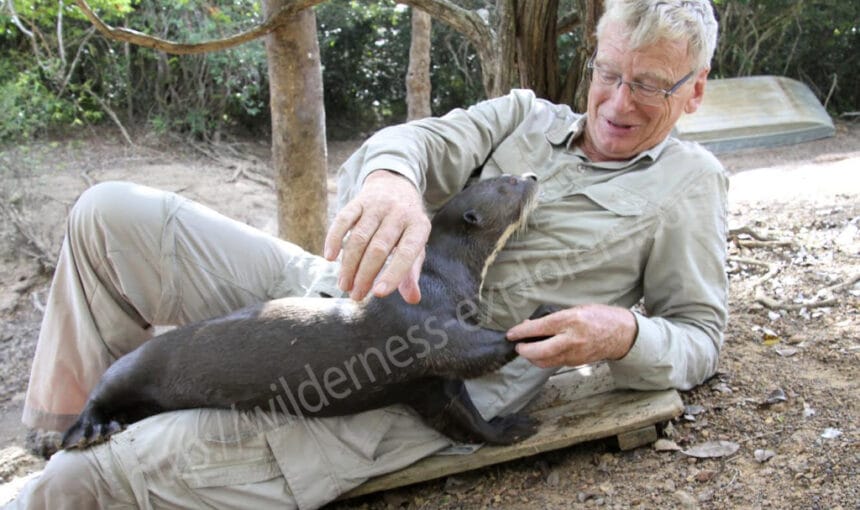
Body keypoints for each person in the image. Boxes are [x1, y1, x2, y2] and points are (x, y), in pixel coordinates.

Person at [7, 0, 726, 508]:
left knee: (89, 484)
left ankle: (70, 468)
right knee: (110, 216)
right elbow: (409, 142)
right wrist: (389, 181)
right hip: (332, 297)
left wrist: (624, 333)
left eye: (649, 84)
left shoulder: (688, 186)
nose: (616, 101)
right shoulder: (525, 117)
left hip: (407, 380)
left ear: (692, 93)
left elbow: (699, 333)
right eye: (608, 72)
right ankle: (76, 418)